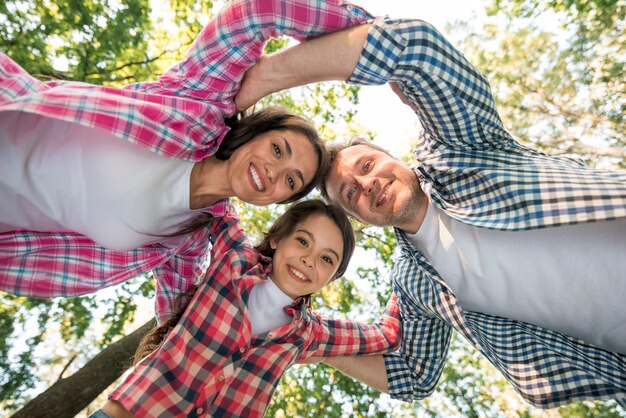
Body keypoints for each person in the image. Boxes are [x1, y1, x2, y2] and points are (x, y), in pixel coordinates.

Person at [234, 11, 626, 409]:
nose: (367, 185)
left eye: (367, 166)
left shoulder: (462, 154)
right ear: (357, 217)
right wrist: (303, 337)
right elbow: (412, 375)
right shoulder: (414, 283)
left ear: (394, 158)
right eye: (351, 194)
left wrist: (261, 81)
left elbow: (414, 46)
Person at [0, 0, 373, 322]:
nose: (274, 172)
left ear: (278, 202)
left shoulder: (188, 241)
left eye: (291, 181)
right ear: (254, 133)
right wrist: (379, 44)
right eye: (278, 150)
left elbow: (178, 320)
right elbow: (258, 12)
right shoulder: (196, 107)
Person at [87, 200, 400, 417]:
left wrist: (411, 258)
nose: (309, 260)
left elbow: (386, 335)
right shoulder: (234, 259)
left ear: (332, 277)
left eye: (327, 259)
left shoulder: (310, 334)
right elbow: (218, 202)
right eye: (303, 241)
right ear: (277, 237)